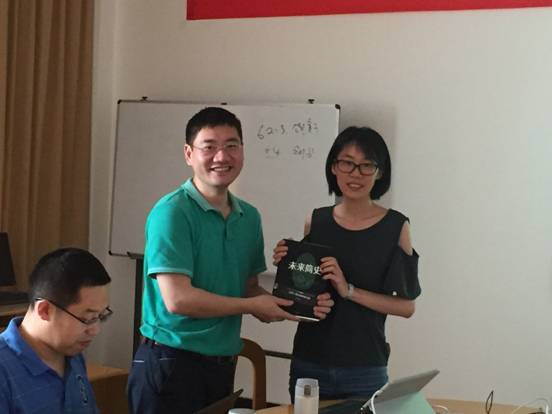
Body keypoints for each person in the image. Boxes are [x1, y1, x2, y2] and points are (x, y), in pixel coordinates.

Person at [127, 107, 333, 414]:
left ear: (242, 151)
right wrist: (252, 306)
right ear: (188, 154)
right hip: (170, 362)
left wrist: (297, 305)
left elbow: (248, 288)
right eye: (209, 146)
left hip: (221, 365)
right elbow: (178, 300)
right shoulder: (172, 213)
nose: (221, 157)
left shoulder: (248, 217)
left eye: (231, 145)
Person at [273, 126, 421, 401]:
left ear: (380, 172)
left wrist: (348, 290)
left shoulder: (396, 227)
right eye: (347, 163)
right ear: (333, 167)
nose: (355, 174)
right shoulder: (316, 221)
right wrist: (287, 265)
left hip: (365, 366)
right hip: (310, 360)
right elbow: (304, 292)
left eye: (367, 165)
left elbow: (406, 306)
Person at [0, 248, 113, 414]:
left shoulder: (72, 355)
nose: (95, 330)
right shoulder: (4, 370)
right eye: (87, 318)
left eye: (100, 316)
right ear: (45, 310)